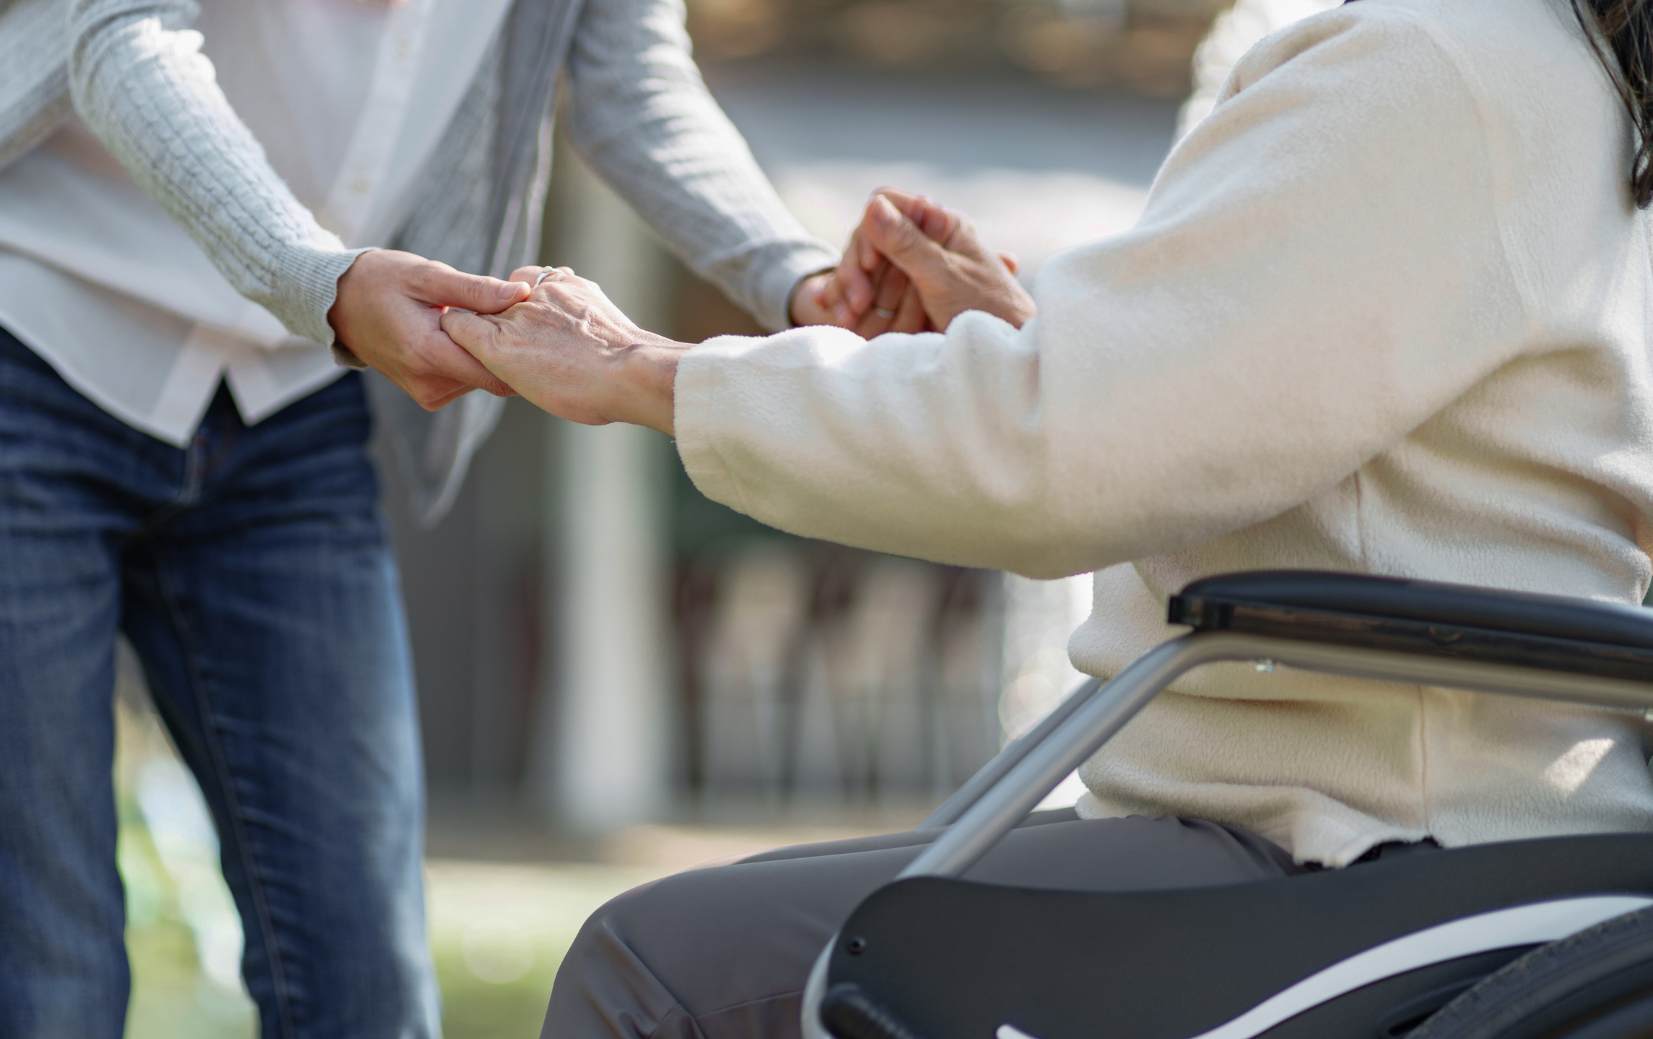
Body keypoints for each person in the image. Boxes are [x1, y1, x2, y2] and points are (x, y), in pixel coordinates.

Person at [436, 0, 1653, 1035]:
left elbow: (1063, 455)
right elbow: (1252, 419)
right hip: (1445, 828)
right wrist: (1032, 341)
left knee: (663, 971)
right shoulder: (1549, 67)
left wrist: (653, 370)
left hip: (1361, 841)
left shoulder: (1435, 63)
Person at [0, 0, 862, 1034]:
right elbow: (121, 32)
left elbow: (633, 85)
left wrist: (794, 276)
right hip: (4, 333)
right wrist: (315, 278)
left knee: (364, 990)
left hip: (284, 392)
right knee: (42, 995)